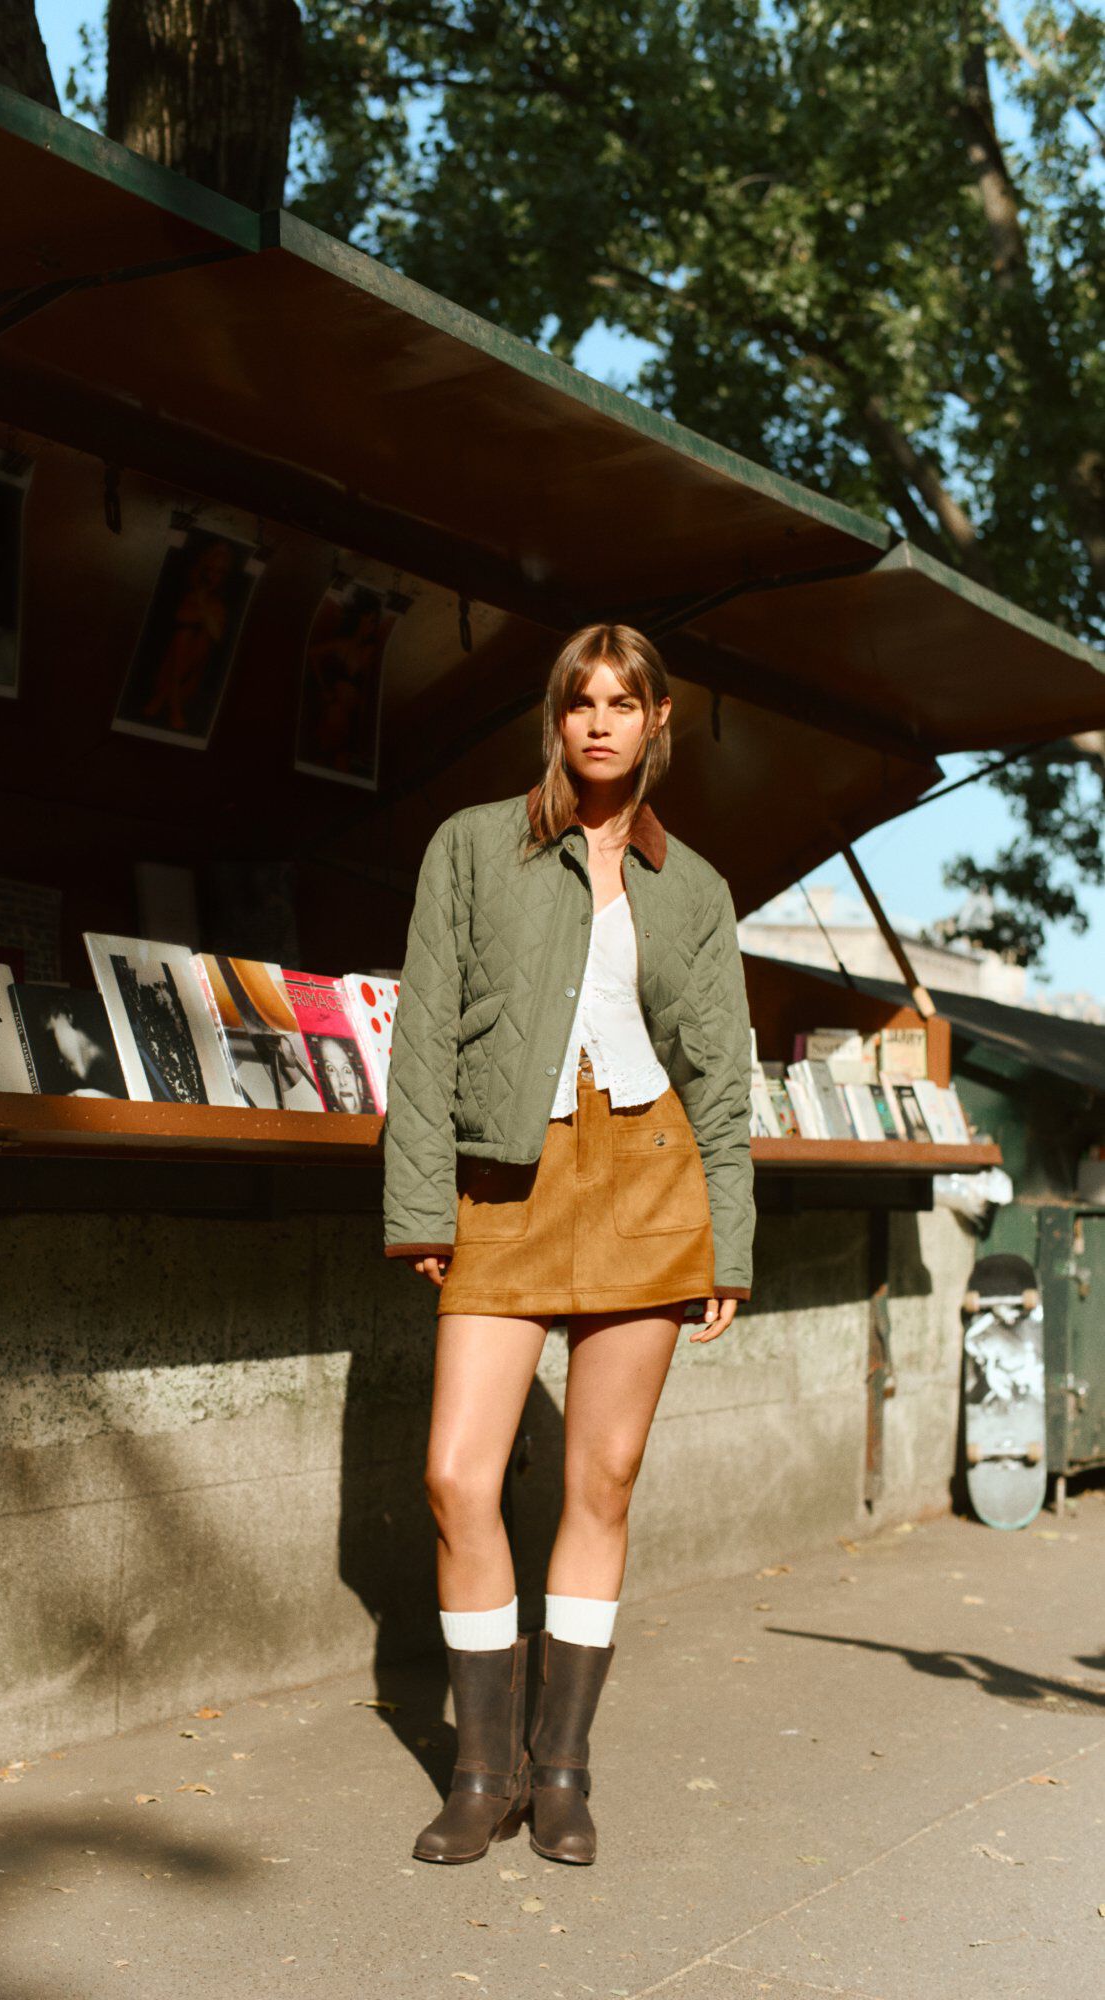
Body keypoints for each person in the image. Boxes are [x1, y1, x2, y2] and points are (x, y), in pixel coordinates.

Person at [382, 623, 755, 1868]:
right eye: (580, 701)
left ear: (658, 724)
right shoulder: (474, 846)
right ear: (556, 717)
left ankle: (560, 1767)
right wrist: (421, 1206)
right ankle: (477, 1769)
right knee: (456, 1474)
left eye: (624, 703)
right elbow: (423, 1031)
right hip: (505, 1183)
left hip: (648, 1185)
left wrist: (728, 1243)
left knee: (599, 1481)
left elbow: (720, 1074)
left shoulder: (694, 887)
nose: (601, 721)